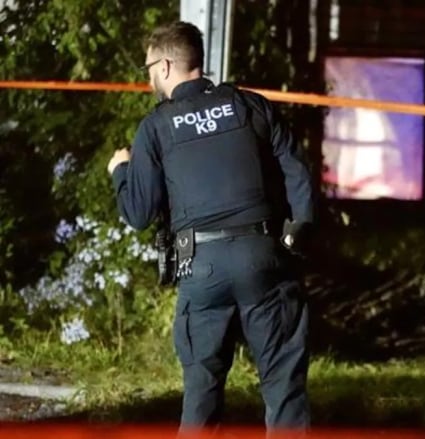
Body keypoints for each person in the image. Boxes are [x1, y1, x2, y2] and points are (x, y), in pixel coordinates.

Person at [107, 21, 314, 433]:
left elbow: (138, 213)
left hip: (200, 267)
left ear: (165, 66)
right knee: (283, 387)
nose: (148, 76)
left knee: (201, 390)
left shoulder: (156, 127)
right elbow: (298, 173)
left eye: (149, 66)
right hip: (263, 256)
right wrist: (299, 230)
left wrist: (120, 171)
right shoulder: (251, 106)